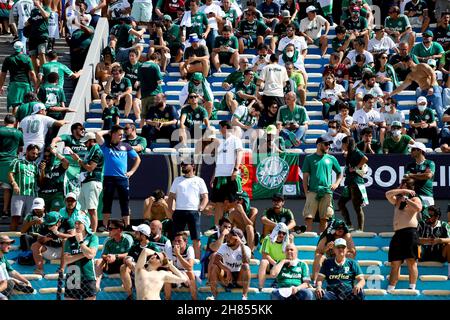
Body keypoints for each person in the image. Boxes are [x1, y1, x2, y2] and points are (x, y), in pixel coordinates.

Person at [96, 125, 141, 229]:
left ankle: (127, 225)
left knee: (124, 202)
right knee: (107, 202)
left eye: (122, 134)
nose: (121, 136)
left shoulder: (126, 146)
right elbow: (98, 134)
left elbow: (137, 159)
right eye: (119, 134)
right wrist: (109, 130)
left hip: (122, 179)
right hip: (109, 178)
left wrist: (131, 172)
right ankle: (105, 225)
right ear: (113, 134)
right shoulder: (105, 145)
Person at [385, 177, 423, 292]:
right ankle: (391, 288)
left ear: (407, 186)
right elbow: (387, 194)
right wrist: (403, 192)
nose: (399, 187)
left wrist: (407, 199)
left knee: (411, 261)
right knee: (395, 262)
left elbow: (418, 208)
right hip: (398, 234)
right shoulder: (397, 199)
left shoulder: (415, 198)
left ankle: (412, 288)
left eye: (401, 185)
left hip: (410, 233)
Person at [168, 158, 208, 259]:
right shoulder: (177, 180)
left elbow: (205, 197)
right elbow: (171, 196)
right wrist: (171, 210)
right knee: (175, 237)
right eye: (182, 164)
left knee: (196, 239)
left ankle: (197, 262)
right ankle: (175, 259)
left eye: (186, 164)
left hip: (193, 212)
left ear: (193, 166)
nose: (183, 166)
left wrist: (201, 208)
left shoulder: (199, 180)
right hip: (179, 212)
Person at [302, 136, 343, 232]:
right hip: (312, 191)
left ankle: (322, 241)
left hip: (327, 192)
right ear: (319, 145)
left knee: (324, 218)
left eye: (329, 144)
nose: (328, 146)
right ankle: (308, 239)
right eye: (326, 144)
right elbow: (305, 177)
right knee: (309, 217)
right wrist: (306, 193)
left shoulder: (331, 158)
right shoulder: (309, 158)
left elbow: (340, 173)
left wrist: (336, 183)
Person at [387, 56, 444, 125]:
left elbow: (432, 74)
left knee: (439, 109)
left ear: (409, 61)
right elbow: (402, 86)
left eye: (404, 64)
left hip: (434, 88)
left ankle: (443, 127)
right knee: (422, 111)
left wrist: (431, 87)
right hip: (424, 92)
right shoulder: (410, 75)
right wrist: (390, 94)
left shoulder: (422, 66)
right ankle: (423, 128)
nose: (403, 66)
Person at [209, 120, 243, 227]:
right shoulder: (219, 141)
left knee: (231, 203)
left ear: (224, 127)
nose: (219, 130)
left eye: (220, 127)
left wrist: (236, 169)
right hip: (219, 176)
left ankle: (230, 227)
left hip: (230, 175)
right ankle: (217, 227)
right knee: (218, 204)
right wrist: (214, 176)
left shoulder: (235, 140)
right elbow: (218, 161)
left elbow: (240, 153)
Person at [69, 131, 103, 232]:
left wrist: (78, 160)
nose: (84, 144)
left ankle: (92, 232)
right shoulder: (91, 151)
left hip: (93, 182)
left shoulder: (97, 151)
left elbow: (90, 168)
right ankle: (83, 230)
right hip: (86, 182)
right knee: (82, 209)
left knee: (92, 209)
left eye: (86, 142)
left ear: (92, 141)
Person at [207, 227, 251, 300]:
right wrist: (227, 270)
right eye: (227, 236)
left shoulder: (246, 248)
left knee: (246, 266)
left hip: (239, 278)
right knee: (214, 267)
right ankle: (214, 296)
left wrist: (242, 245)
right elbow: (216, 260)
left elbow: (246, 261)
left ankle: (244, 296)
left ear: (237, 239)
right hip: (226, 278)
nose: (227, 239)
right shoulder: (224, 246)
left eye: (230, 237)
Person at [120, 223, 161, 300]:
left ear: (143, 235)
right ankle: (130, 295)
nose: (135, 234)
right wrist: (128, 260)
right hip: (135, 272)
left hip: (148, 274)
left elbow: (158, 264)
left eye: (137, 232)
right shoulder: (135, 246)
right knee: (123, 267)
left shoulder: (153, 247)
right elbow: (127, 258)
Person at [63, 214, 99, 300]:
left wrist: (81, 242)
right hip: (72, 276)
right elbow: (67, 260)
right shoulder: (70, 240)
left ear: (85, 224)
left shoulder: (92, 238)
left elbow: (91, 255)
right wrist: (85, 253)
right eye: (75, 223)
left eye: (79, 223)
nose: (76, 225)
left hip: (88, 275)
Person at [338, 137, 368, 231]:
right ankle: (349, 225)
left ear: (347, 143)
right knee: (341, 203)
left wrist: (355, 168)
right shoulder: (350, 152)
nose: (342, 146)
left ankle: (360, 229)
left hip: (356, 182)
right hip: (349, 182)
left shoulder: (356, 151)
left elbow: (365, 158)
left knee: (357, 207)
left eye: (343, 143)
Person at [31, 211, 74, 276]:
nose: (49, 226)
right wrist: (45, 239)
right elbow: (39, 240)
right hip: (50, 251)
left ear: (59, 221)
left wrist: (57, 233)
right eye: (48, 225)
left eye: (51, 225)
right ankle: (40, 270)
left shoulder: (68, 221)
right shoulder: (45, 224)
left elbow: (72, 236)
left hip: (66, 251)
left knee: (65, 241)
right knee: (34, 246)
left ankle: (61, 269)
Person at [95, 219, 133, 291]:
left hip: (123, 263)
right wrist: (108, 257)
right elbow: (103, 255)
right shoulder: (108, 240)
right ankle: (97, 284)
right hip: (111, 264)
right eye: (108, 228)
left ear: (119, 230)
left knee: (127, 260)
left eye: (110, 229)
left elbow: (130, 253)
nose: (108, 231)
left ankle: (126, 285)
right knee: (99, 261)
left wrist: (115, 256)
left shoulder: (127, 238)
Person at [8, 144, 40, 231]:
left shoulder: (36, 166)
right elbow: (10, 173)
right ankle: (12, 239)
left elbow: (40, 180)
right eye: (33, 153)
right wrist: (14, 184)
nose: (35, 156)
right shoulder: (17, 162)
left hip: (32, 195)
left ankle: (26, 239)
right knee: (15, 217)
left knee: (29, 219)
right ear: (27, 152)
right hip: (19, 194)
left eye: (37, 154)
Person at [0, 41, 37, 114]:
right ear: (22, 48)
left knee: (15, 105)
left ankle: (14, 124)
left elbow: (3, 74)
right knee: (26, 104)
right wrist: (36, 86)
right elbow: (32, 73)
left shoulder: (8, 59)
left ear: (14, 48)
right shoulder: (27, 58)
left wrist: (1, 86)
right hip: (25, 84)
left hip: (14, 84)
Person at [0, 115, 23, 218]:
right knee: (7, 187)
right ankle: (5, 210)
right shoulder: (18, 133)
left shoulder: (1, 130)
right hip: (12, 161)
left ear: (5, 122)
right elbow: (21, 148)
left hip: (1, 159)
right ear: (14, 123)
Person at [417, 206, 450, 278]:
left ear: (437, 216)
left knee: (449, 245)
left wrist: (439, 240)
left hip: (439, 253)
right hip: (424, 253)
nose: (428, 218)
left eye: (430, 216)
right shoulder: (421, 224)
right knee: (413, 245)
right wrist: (426, 240)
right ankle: (412, 271)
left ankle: (449, 274)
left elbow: (449, 239)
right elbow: (414, 239)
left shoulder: (444, 225)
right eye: (426, 216)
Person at [405, 141, 435, 216]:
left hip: (427, 196)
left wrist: (412, 175)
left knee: (429, 221)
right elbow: (407, 178)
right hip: (413, 197)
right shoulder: (409, 165)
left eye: (412, 149)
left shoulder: (430, 163)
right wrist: (422, 175)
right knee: (414, 222)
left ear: (420, 151)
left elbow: (428, 176)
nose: (410, 151)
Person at [164, 232, 197, 300]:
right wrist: (179, 274)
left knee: (191, 274)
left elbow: (190, 267)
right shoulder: (170, 248)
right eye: (175, 241)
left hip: (186, 275)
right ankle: (167, 299)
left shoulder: (189, 249)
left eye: (179, 241)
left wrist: (178, 255)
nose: (176, 243)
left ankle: (194, 299)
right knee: (168, 274)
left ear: (185, 241)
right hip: (175, 274)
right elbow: (169, 266)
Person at [0, 235, 34, 300]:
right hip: (3, 284)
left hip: (4, 284)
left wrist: (26, 281)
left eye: (10, 244)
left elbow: (12, 272)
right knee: (10, 282)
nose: (9, 247)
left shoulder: (3, 257)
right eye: (7, 244)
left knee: (10, 282)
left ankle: (16, 283)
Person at [258, 222, 289, 290]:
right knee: (263, 262)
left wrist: (279, 264)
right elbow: (264, 255)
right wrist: (275, 263)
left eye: (284, 233)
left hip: (282, 265)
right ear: (275, 231)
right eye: (279, 232)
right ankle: (260, 287)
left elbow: (290, 257)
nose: (281, 235)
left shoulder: (288, 242)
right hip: (271, 263)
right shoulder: (267, 238)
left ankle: (278, 282)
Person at [38, 146, 69, 212]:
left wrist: (56, 153)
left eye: (49, 156)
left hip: (56, 194)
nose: (47, 158)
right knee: (43, 216)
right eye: (45, 156)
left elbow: (66, 163)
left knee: (55, 214)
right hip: (44, 194)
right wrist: (42, 171)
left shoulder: (59, 166)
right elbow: (41, 183)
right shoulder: (41, 166)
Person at [137, 52, 164, 129]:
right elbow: (159, 81)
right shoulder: (155, 66)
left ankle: (142, 133)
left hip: (144, 95)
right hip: (154, 94)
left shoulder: (140, 66)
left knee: (143, 117)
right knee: (154, 116)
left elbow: (139, 80)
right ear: (156, 60)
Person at [26, 0, 51, 72]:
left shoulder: (46, 8)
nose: (34, 1)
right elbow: (29, 21)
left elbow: (46, 15)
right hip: (32, 36)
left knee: (42, 54)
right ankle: (37, 74)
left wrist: (39, 6)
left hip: (42, 35)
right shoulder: (33, 11)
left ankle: (44, 73)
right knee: (33, 56)